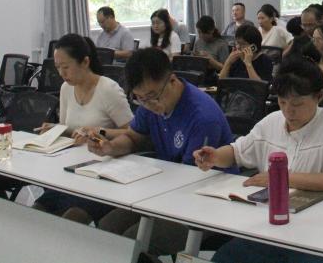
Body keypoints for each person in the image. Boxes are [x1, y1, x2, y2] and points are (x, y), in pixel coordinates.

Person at [193, 58, 323, 263]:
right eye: (282, 102)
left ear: (319, 96)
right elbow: (237, 152)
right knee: (224, 258)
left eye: (297, 104)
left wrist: (279, 178)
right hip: (269, 228)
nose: (288, 111)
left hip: (318, 232)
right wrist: (216, 156)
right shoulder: (272, 121)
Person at [91, 47, 235, 257]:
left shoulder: (202, 117)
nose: (149, 105)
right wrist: (111, 147)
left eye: (152, 97)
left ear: (172, 81)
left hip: (204, 201)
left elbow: (191, 179)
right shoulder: (148, 104)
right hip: (164, 191)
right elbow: (133, 137)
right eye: (140, 98)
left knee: (133, 242)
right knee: (108, 228)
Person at [33, 33, 133, 225]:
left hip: (101, 173)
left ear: (85, 62)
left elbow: (133, 133)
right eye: (58, 68)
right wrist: (55, 129)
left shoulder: (108, 89)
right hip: (72, 168)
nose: (62, 73)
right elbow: (69, 129)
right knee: (38, 211)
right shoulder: (66, 88)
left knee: (72, 218)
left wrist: (98, 132)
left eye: (66, 67)